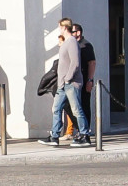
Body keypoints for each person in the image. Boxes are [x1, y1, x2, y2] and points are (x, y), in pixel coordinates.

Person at [39, 18, 91, 147]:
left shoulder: (72, 42)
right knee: (56, 109)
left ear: (63, 28)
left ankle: (85, 135)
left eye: (59, 27)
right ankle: (54, 136)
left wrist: (68, 78)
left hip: (71, 83)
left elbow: (75, 62)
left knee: (76, 109)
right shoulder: (66, 42)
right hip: (62, 84)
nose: (58, 29)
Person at [68, 23, 96, 137]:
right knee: (72, 105)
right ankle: (79, 129)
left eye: (72, 32)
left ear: (78, 33)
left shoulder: (85, 45)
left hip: (84, 79)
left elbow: (92, 63)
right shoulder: (73, 45)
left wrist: (90, 80)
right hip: (74, 80)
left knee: (84, 105)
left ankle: (85, 131)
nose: (71, 34)